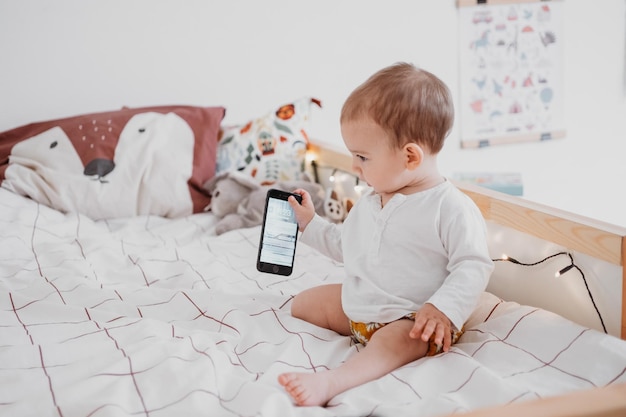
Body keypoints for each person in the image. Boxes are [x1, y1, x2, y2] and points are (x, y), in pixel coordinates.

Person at [277, 62, 494, 407]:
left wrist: (442, 308)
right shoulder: (371, 202)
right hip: (364, 308)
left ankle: (331, 382)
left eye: (362, 156)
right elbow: (345, 246)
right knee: (303, 303)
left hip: (416, 318)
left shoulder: (449, 206)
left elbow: (473, 263)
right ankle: (360, 333)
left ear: (410, 156)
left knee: (397, 341)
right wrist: (309, 224)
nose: (354, 166)